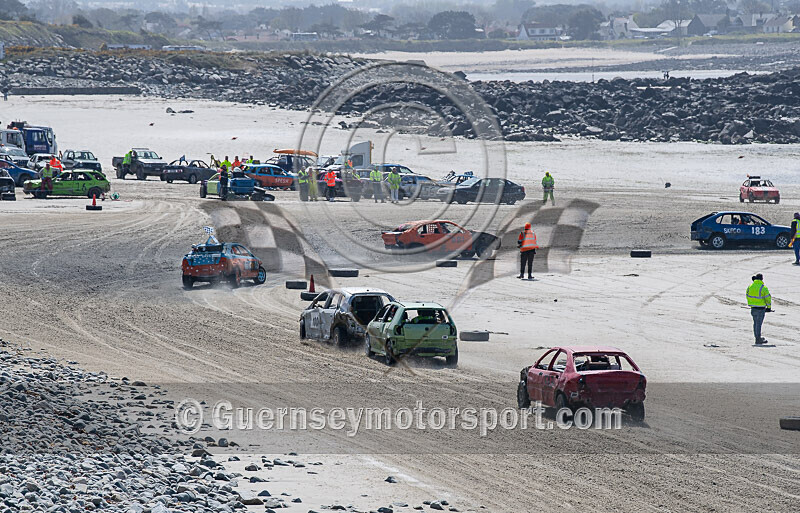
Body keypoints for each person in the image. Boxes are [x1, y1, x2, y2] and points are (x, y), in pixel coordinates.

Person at [746, 273, 772, 345]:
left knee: (755, 323)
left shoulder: (750, 286)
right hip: (761, 308)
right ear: (762, 279)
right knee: (759, 324)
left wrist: (751, 303)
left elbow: (747, 295)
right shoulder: (763, 288)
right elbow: (768, 298)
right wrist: (769, 307)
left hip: (753, 308)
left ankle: (757, 337)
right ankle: (758, 338)